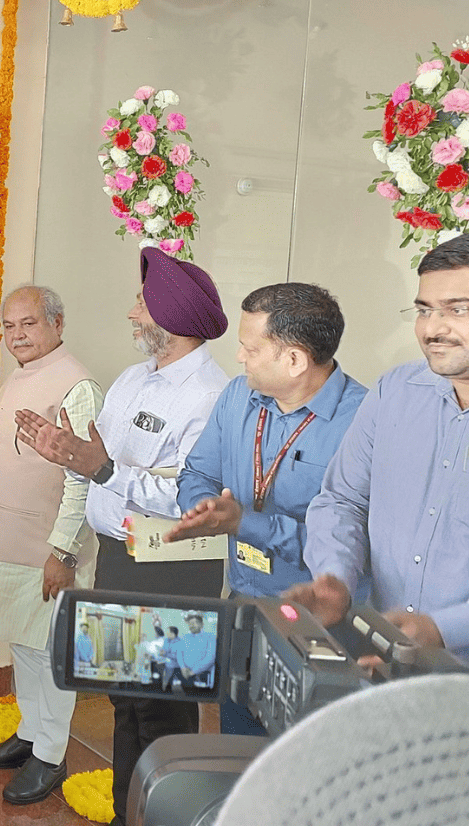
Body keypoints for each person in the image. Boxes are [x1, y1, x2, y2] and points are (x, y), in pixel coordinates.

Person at [16, 248, 230, 826]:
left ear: (173, 316)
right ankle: (123, 817)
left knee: (165, 713)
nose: (133, 313)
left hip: (177, 569)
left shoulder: (213, 395)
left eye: (143, 302)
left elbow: (195, 497)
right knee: (125, 704)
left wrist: (102, 467)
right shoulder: (134, 379)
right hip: (119, 559)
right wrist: (64, 452)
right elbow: (96, 460)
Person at [0, 284, 102, 805]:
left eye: (28, 323)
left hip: (46, 549)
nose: (17, 335)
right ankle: (31, 736)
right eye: (8, 326)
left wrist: (64, 553)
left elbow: (84, 478)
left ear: (57, 323)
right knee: (24, 647)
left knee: (49, 653)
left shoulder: (78, 386)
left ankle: (51, 757)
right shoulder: (23, 376)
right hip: (9, 538)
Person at [171, 283, 366, 733]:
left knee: (304, 764)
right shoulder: (239, 397)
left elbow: (358, 542)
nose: (239, 357)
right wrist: (204, 507)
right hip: (244, 606)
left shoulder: (363, 421)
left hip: (320, 625)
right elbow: (196, 472)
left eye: (249, 347)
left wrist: (246, 523)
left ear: (294, 360)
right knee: (240, 747)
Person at [290, 235, 469, 663]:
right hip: (383, 661)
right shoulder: (397, 392)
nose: (432, 329)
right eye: (424, 310)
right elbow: (342, 499)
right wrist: (336, 577)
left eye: (457, 309)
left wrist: (443, 628)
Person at [175, 614, 217, 690]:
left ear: (201, 624)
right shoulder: (184, 637)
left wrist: (193, 672)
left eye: (195, 623)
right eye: (190, 623)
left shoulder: (210, 637)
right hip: (185, 675)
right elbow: (179, 654)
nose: (192, 625)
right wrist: (183, 668)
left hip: (202, 676)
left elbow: (211, 658)